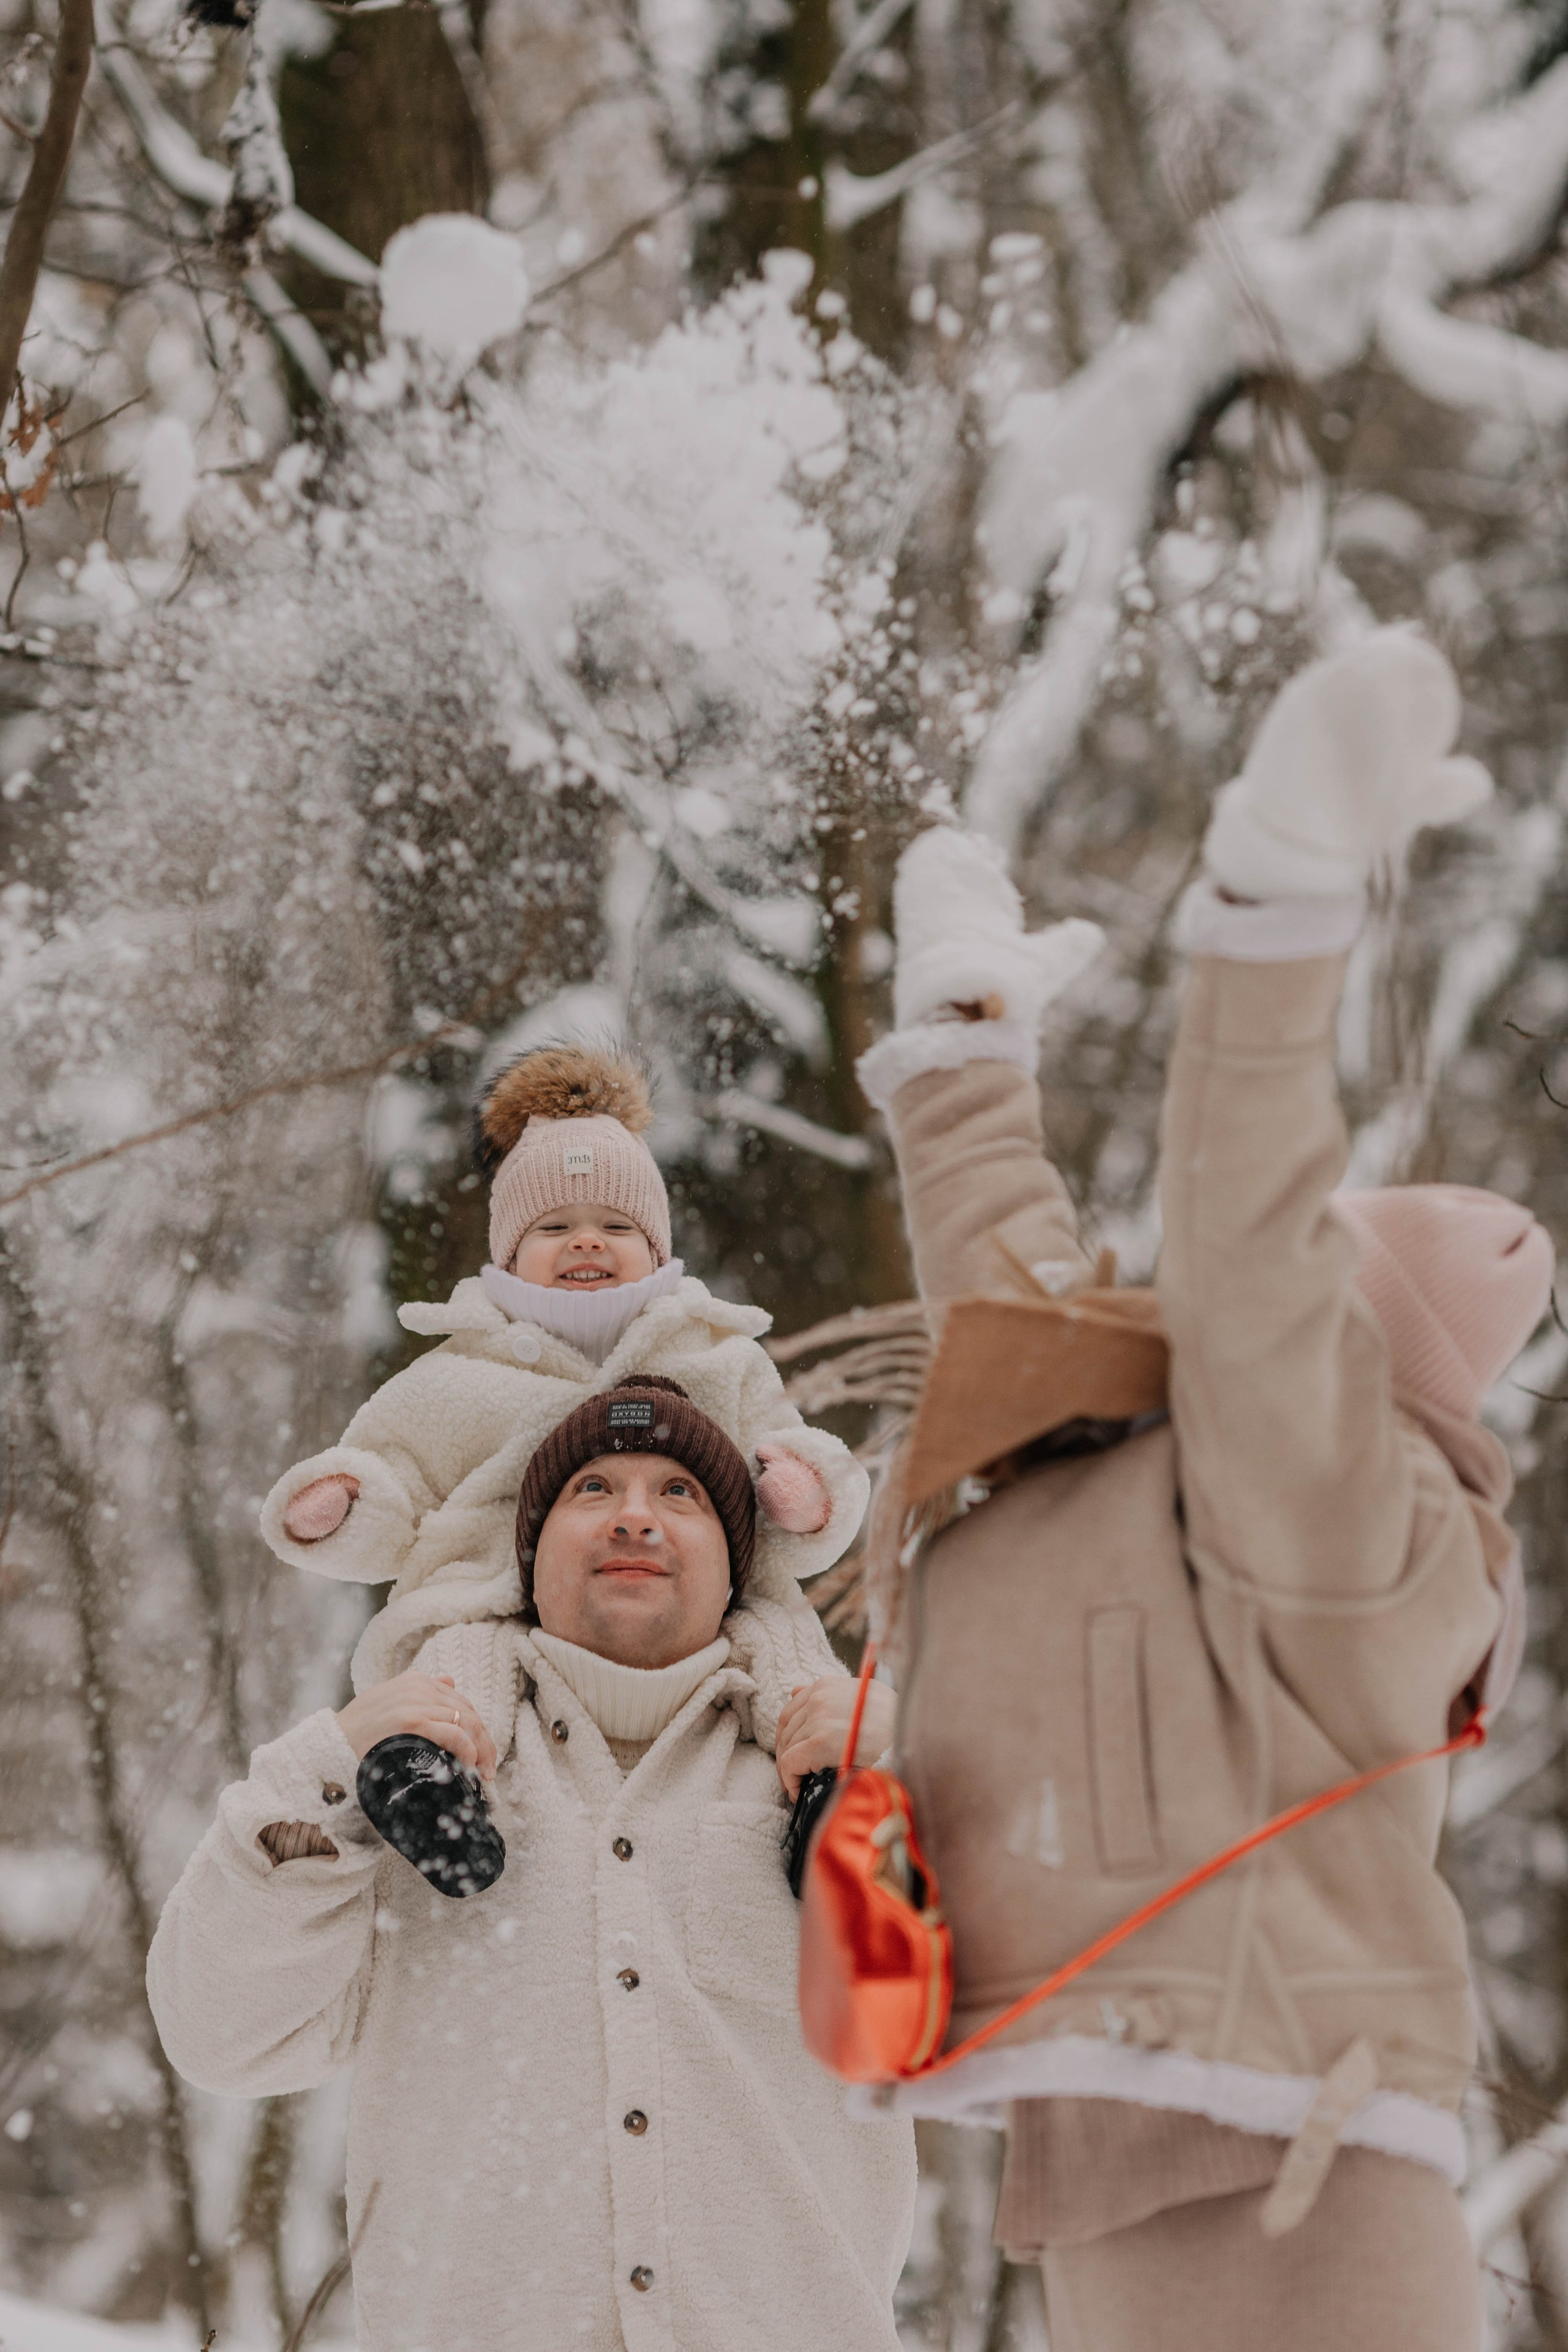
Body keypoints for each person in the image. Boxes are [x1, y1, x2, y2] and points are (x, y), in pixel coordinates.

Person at [850, 631, 1553, 2352]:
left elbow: (1248, 1235)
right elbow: (1008, 1303)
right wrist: (964, 1041)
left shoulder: (1356, 1524)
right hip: (1116, 2125)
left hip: (1303, 2142)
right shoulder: (1129, 1473)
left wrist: (1280, 916)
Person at [148, 1376, 916, 2352]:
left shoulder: (839, 1781)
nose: (635, 1516)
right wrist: (328, 1767)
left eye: (679, 1494)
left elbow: (1013, 2021)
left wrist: (929, 1773)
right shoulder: (412, 1793)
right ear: (528, 1558)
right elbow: (222, 2034)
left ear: (740, 1568)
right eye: (592, 1491)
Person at [260, 1042, 867, 1694]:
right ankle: (432, 1767)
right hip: (492, 1601)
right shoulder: (455, 1376)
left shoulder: (718, 1358)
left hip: (691, 1605)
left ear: (657, 1249)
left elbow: (787, 1456)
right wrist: (349, 1502)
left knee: (779, 1641)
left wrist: (805, 1495)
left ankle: (820, 1764)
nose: (586, 1240)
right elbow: (396, 1481)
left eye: (615, 1223)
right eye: (554, 1227)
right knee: (459, 1660)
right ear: (510, 1257)